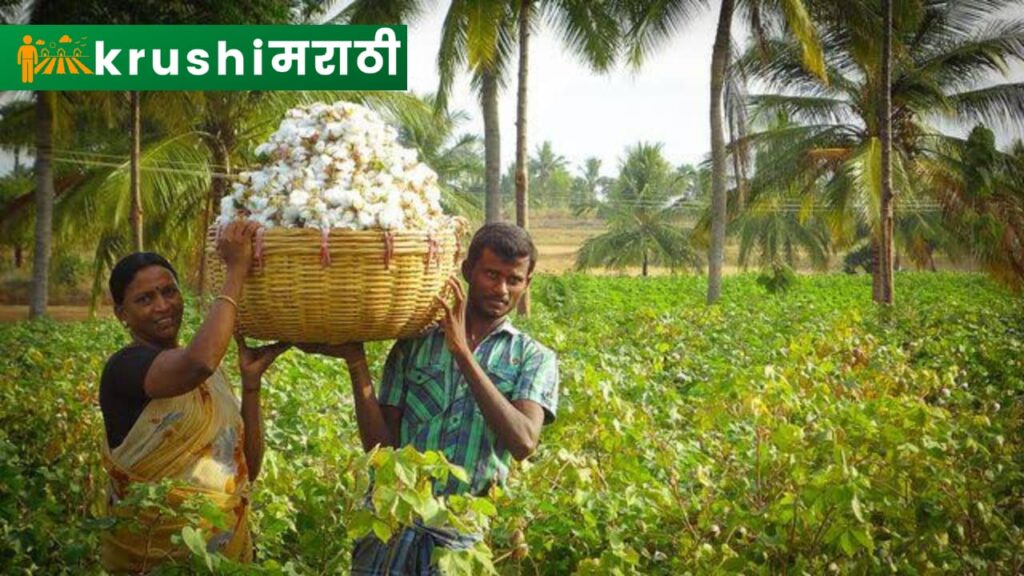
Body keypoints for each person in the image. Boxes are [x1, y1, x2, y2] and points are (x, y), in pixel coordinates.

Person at [303, 222, 559, 575]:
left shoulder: (533, 358)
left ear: (527, 283)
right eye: (491, 274)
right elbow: (380, 447)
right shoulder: (414, 342)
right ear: (468, 271)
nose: (502, 289)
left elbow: (523, 441)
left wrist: (463, 355)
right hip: (390, 524)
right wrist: (356, 363)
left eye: (514, 279)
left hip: (461, 539)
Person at [99, 221, 289, 572]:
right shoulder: (124, 368)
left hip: (224, 555)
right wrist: (236, 269)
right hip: (156, 557)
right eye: (145, 299)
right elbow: (198, 362)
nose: (162, 305)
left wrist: (250, 386)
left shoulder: (212, 376)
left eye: (169, 291)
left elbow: (247, 467)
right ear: (121, 315)